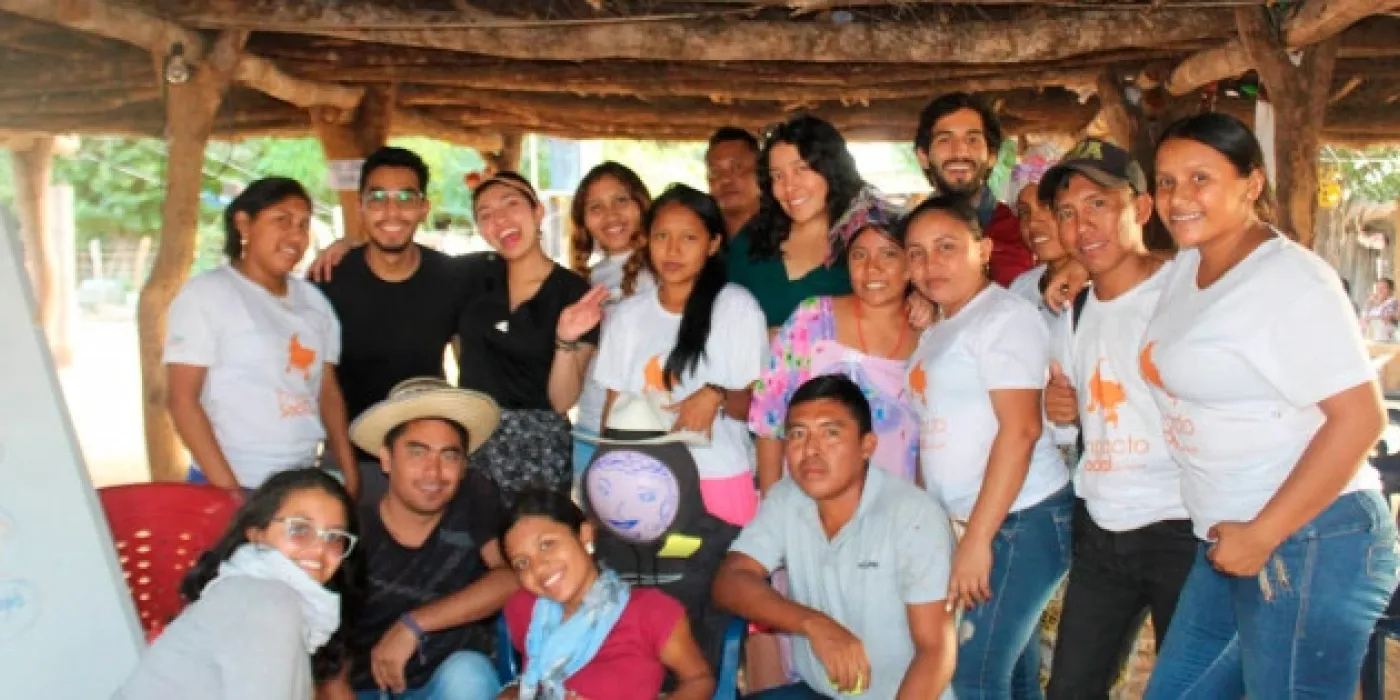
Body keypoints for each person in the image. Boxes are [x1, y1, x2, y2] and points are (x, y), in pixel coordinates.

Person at [1139, 113, 1399, 698]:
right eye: (1166, 181)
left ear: (1251, 183)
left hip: (1309, 539)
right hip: (1228, 537)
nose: (1178, 197)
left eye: (1200, 178)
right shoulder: (1190, 264)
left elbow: (1362, 418)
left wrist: (1263, 534)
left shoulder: (1291, 282)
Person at [1033, 139, 1196, 699]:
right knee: (1072, 688)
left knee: (1191, 689)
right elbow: (1075, 420)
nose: (1082, 225)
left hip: (1183, 524)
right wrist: (1062, 413)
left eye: (1098, 204)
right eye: (1067, 212)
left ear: (1142, 208)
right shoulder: (1073, 310)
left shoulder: (1185, 289)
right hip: (1102, 527)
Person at [903, 194, 1073, 699]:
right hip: (976, 521)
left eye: (946, 247)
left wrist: (978, 540)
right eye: (916, 253)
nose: (931, 264)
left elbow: (1021, 431)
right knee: (1014, 676)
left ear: (983, 250)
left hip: (1022, 518)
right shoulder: (940, 328)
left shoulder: (1003, 317)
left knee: (972, 673)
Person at [712, 375, 957, 700]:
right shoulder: (788, 497)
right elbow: (730, 581)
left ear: (867, 446)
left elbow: (935, 651)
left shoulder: (913, 516)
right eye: (798, 434)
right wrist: (813, 624)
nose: (811, 450)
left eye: (830, 433)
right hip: (819, 693)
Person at [319, 378, 515, 700]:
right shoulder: (353, 533)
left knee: (469, 673)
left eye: (449, 456)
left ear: (463, 466)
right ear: (386, 459)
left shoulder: (473, 502)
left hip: (445, 683)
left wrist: (414, 624)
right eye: (417, 452)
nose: (434, 472)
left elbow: (510, 578)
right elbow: (330, 670)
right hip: (367, 690)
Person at [165, 177, 358, 496]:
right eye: (282, 220)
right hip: (232, 480)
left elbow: (326, 391)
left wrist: (348, 469)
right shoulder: (207, 295)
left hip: (301, 480)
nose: (295, 236)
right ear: (244, 223)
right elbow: (182, 401)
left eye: (303, 225)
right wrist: (230, 492)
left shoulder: (314, 302)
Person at [593, 184, 768, 527]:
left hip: (717, 479)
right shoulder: (627, 316)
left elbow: (759, 407)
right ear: (647, 240)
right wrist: (605, 482)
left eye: (689, 238)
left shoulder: (736, 308)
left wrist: (717, 395)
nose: (672, 250)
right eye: (662, 236)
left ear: (713, 244)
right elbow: (612, 412)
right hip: (639, 485)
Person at [115, 469, 359, 700]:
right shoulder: (269, 601)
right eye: (300, 529)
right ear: (256, 534)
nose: (319, 548)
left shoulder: (251, 588)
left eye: (334, 537)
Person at [317, 147, 466, 506]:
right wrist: (347, 468)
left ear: (423, 208)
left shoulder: (451, 278)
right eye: (378, 198)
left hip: (427, 462)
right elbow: (322, 383)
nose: (391, 211)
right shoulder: (329, 279)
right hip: (349, 456)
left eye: (405, 198)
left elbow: (471, 366)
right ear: (361, 207)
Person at [460, 172, 608, 504]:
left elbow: (562, 401)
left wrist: (565, 339)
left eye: (511, 205)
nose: (500, 220)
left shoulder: (573, 293)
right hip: (473, 439)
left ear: (538, 211)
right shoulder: (471, 277)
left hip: (538, 451)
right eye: (486, 214)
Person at [750, 212, 919, 493]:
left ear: (910, 265)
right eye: (859, 255)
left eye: (889, 254)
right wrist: (772, 504)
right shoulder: (812, 318)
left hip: (894, 504)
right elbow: (769, 415)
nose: (872, 267)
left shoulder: (929, 334)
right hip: (807, 502)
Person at [499, 489, 715, 700]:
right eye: (522, 563)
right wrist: (512, 692)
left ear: (584, 535)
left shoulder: (650, 612)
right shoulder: (526, 609)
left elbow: (699, 680)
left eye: (547, 545)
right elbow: (531, 678)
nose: (538, 568)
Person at [726, 115, 891, 330]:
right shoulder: (751, 242)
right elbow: (721, 319)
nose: (789, 187)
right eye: (778, 176)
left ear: (831, 169)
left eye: (801, 169)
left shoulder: (868, 238)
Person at [568, 162, 654, 479]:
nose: (610, 215)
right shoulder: (585, 280)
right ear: (584, 221)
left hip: (650, 431)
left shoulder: (666, 270)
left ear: (641, 204)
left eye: (621, 200)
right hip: (590, 428)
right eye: (596, 207)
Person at [913, 92, 1034, 287]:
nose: (960, 151)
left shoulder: (1024, 232)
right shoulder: (904, 238)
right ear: (923, 157)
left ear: (992, 156)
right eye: (944, 139)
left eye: (972, 139)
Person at [1004, 143, 1070, 328]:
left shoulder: (1099, 285)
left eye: (1047, 206)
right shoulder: (1021, 287)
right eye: (1024, 211)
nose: (1033, 222)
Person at [706, 126, 763, 239]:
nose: (725, 179)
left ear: (761, 172)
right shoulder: (702, 237)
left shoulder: (789, 236)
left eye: (737, 167)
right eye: (715, 171)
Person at [1362, 277, 1397, 341]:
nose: (1380, 291)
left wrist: (1378, 302)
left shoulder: (1393, 302)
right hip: (1370, 336)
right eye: (1378, 288)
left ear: (1390, 290)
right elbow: (1364, 317)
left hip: (1385, 338)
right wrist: (1368, 304)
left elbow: (1386, 317)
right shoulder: (1373, 302)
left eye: (1383, 288)